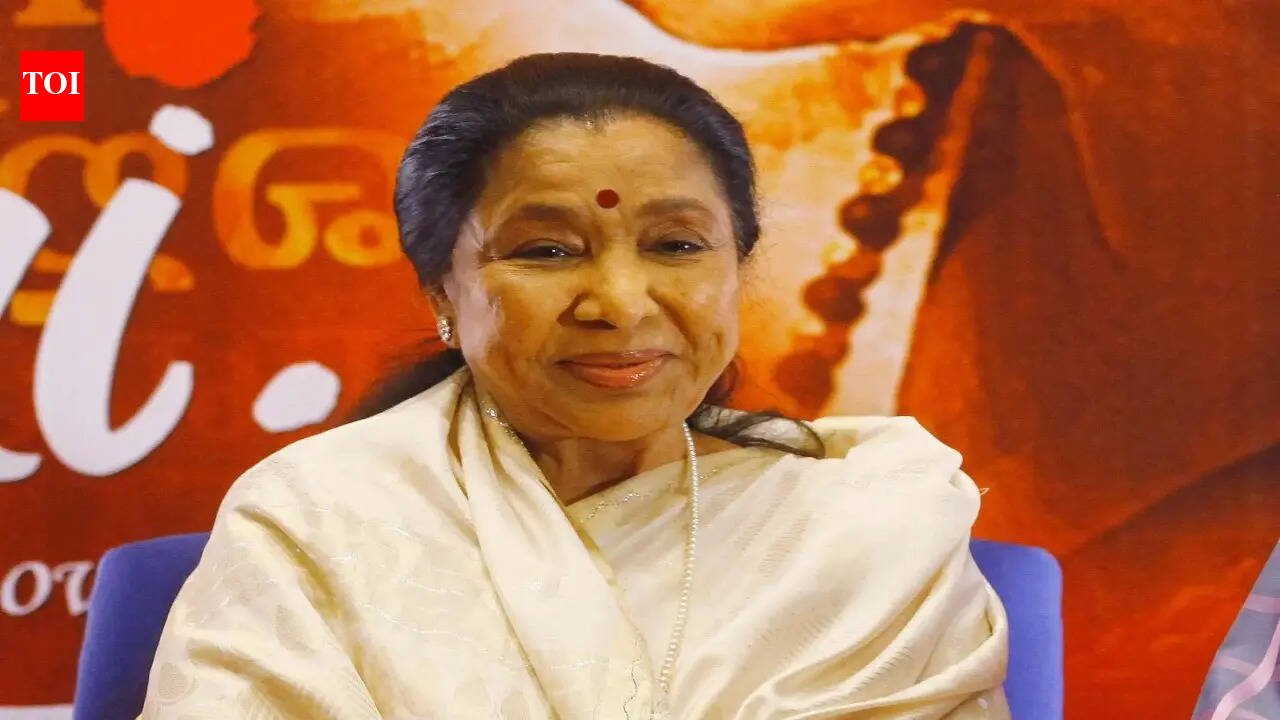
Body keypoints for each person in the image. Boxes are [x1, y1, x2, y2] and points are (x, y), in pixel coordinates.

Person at [138, 53, 1009, 719]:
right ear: (442, 292)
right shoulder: (318, 522)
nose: (621, 303)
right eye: (546, 251)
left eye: (676, 245)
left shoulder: (870, 528)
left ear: (737, 267)